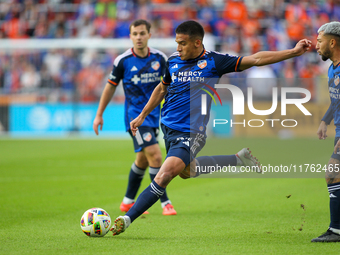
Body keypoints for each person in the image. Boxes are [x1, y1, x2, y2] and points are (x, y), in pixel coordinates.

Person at [110, 20, 311, 236]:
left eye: (183, 43)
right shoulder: (173, 61)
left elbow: (256, 59)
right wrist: (142, 115)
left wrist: (293, 52)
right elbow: (161, 88)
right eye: (177, 43)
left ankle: (127, 218)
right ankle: (238, 158)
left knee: (164, 173)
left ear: (197, 43)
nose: (178, 48)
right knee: (188, 171)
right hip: (168, 128)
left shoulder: (215, 61)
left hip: (191, 132)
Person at [93, 19, 177, 216]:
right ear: (130, 36)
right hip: (135, 119)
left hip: (154, 116)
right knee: (156, 155)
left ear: (149, 35)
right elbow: (110, 87)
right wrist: (99, 114)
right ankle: (165, 202)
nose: (138, 37)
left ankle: (127, 202)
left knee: (142, 159)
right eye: (135, 34)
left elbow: (169, 86)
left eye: (142, 33)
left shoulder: (160, 58)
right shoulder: (123, 61)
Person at [312, 21, 340, 243]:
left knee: (332, 174)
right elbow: (336, 100)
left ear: (332, 42)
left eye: (319, 41)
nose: (316, 45)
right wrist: (325, 120)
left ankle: (336, 230)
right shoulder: (332, 67)